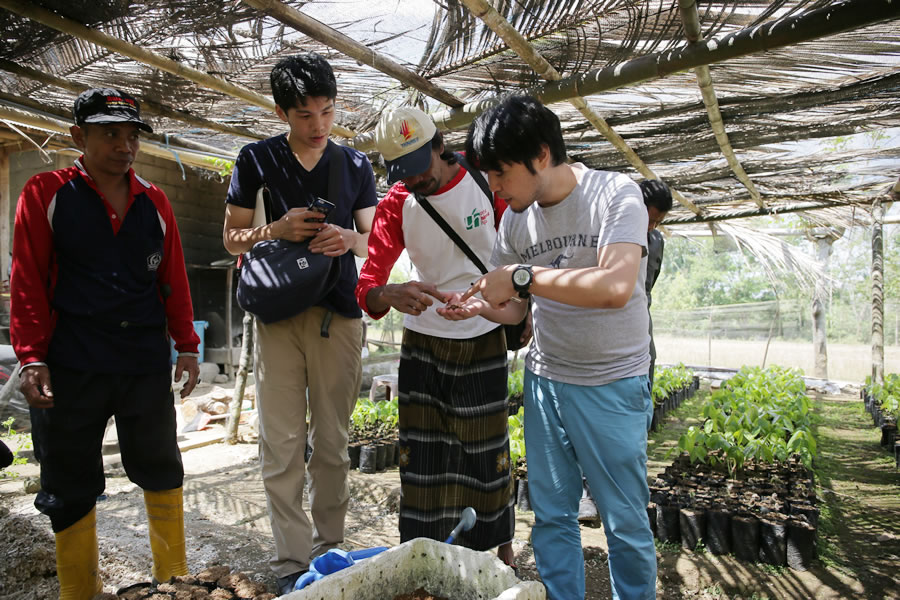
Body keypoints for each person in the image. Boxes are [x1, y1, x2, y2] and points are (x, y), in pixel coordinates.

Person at [446, 95, 656, 600]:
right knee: (552, 516)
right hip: (546, 382)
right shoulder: (516, 219)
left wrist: (520, 276)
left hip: (611, 381)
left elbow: (614, 287)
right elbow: (518, 308)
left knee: (623, 520)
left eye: (500, 172)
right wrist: (483, 307)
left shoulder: (614, 194)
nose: (493, 186)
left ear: (541, 154)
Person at [10, 87, 201, 597]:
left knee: (162, 467)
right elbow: (26, 279)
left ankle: (174, 584)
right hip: (72, 361)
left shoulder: (155, 201)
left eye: (130, 134)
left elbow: (174, 280)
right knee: (69, 481)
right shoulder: (46, 193)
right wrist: (31, 357)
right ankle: (79, 591)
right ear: (79, 136)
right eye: (109, 134)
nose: (124, 145)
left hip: (141, 359)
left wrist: (186, 345)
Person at [222, 52, 376, 595]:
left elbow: (373, 240)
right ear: (283, 111)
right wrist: (276, 229)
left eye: (327, 112)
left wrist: (348, 240)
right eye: (305, 115)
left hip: (339, 315)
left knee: (332, 440)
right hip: (277, 317)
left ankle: (329, 551)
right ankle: (291, 563)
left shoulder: (355, 165)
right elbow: (231, 238)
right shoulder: (255, 160)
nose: (318, 126)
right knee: (281, 441)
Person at [355, 107, 518, 569]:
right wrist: (391, 293)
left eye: (419, 165)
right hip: (423, 341)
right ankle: (422, 557)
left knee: (487, 450)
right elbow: (367, 285)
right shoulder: (396, 203)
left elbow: (521, 248)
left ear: (439, 146)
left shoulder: (487, 181)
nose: (413, 179)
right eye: (402, 172)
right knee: (421, 456)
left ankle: (500, 551)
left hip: (484, 331)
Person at [640, 179, 672, 389]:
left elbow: (650, 283)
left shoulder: (657, 241)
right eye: (649, 219)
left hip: (642, 315)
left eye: (658, 222)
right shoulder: (610, 235)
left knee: (648, 362)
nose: (651, 227)